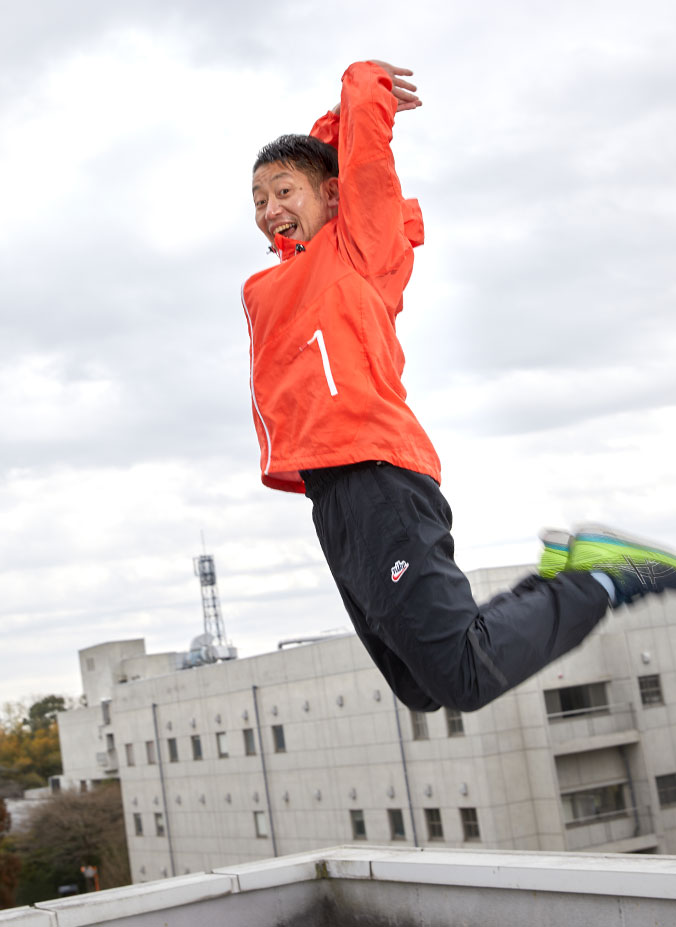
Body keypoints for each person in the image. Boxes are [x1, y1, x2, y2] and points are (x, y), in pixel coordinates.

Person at [242, 60, 676, 712]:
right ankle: (563, 574)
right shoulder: (285, 279)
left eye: (284, 191)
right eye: (258, 198)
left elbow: (359, 171)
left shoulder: (357, 251)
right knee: (421, 685)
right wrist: (322, 135)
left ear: (331, 199)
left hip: (375, 473)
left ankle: (604, 577)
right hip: (331, 498)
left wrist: (360, 91)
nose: (270, 208)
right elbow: (323, 173)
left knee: (464, 672)